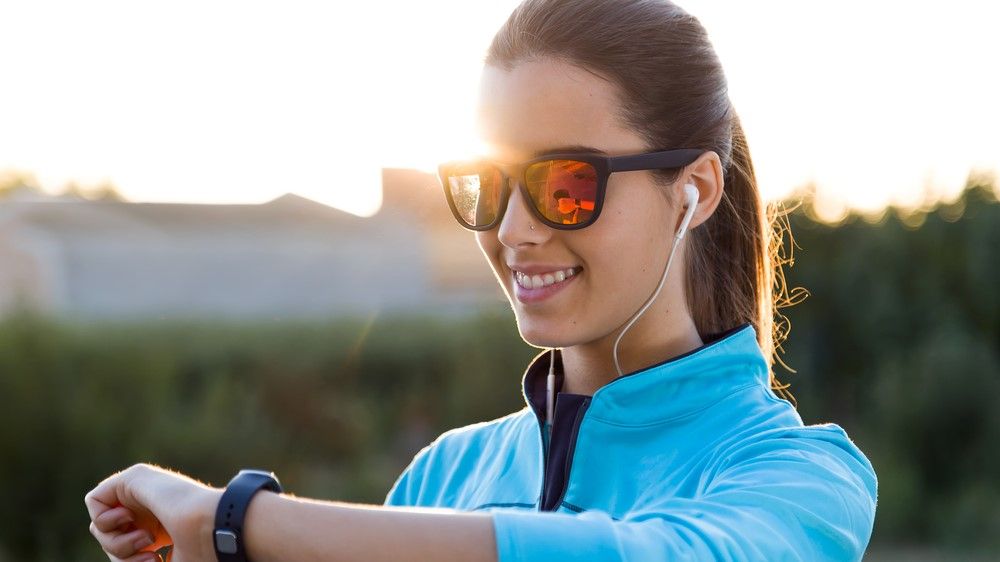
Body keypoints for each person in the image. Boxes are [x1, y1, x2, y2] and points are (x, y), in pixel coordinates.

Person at [83, 1, 878, 560]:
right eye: (485, 186)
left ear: (694, 190)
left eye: (566, 183)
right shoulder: (445, 473)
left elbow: (649, 556)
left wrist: (236, 522)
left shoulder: (801, 478)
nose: (514, 230)